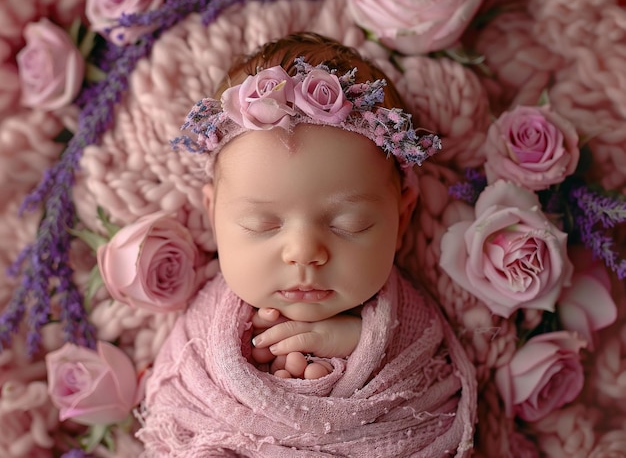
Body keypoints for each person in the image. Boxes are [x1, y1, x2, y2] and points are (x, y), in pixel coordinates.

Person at [138, 32, 476, 457]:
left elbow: (431, 393)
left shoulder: (414, 327)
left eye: (349, 223)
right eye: (261, 224)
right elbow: (178, 414)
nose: (303, 252)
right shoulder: (200, 339)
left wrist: (364, 342)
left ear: (402, 217)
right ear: (214, 216)